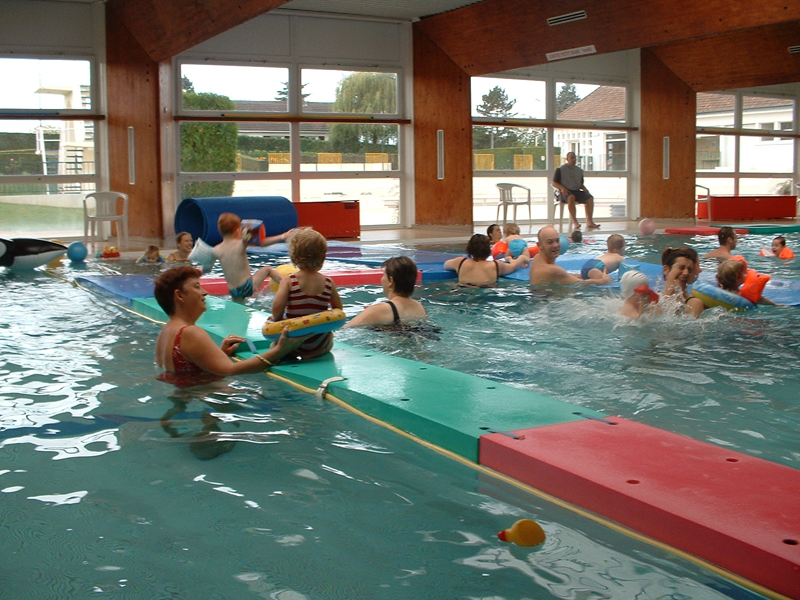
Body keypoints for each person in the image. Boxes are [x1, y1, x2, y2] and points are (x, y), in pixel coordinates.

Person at [154, 266, 308, 387]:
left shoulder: (166, 332)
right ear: (179, 296)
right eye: (196, 287)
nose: (204, 292)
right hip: (206, 403)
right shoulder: (190, 333)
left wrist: (218, 355)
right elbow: (232, 371)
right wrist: (280, 350)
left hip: (189, 402)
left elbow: (186, 373)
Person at [271, 227, 343, 359]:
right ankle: (315, 353)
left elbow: (277, 309)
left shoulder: (289, 281)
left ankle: (288, 354)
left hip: (293, 341)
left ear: (294, 257)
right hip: (318, 341)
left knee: (273, 345)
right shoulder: (328, 282)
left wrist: (276, 321)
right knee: (330, 339)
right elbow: (338, 309)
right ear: (323, 257)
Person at [214, 212, 292, 302]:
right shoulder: (240, 244)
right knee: (267, 270)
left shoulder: (217, 248)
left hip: (233, 291)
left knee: (241, 304)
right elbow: (262, 243)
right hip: (246, 287)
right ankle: (289, 286)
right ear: (237, 231)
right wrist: (283, 236)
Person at [345, 256, 428, 327]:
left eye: (383, 275)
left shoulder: (377, 310)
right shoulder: (420, 307)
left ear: (391, 281)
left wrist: (371, 313)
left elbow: (343, 330)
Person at [529, 226, 611, 285]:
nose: (556, 245)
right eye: (550, 242)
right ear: (540, 245)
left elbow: (560, 277)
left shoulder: (537, 259)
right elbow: (582, 285)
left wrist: (581, 275)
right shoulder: (553, 270)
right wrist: (603, 281)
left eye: (557, 241)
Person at [444, 233, 527, 287]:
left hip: (463, 292)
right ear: (488, 250)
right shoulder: (496, 265)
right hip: (485, 297)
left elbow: (446, 265)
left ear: (469, 249)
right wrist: (521, 258)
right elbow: (514, 266)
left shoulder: (460, 262)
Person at [553, 151, 599, 231]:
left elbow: (580, 184)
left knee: (590, 198)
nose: (574, 160)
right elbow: (554, 183)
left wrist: (585, 189)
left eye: (575, 158)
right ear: (567, 159)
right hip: (563, 192)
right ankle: (575, 222)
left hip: (575, 190)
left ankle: (590, 221)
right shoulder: (560, 169)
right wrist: (563, 188)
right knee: (571, 197)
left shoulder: (579, 171)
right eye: (572, 158)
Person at [660, 246, 704, 317]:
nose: (686, 273)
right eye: (681, 267)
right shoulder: (654, 300)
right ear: (666, 270)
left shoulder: (693, 303)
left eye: (689, 269)